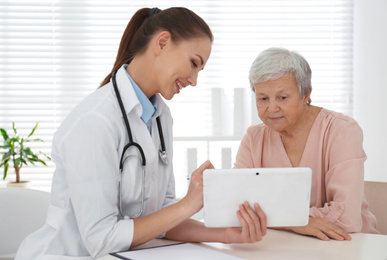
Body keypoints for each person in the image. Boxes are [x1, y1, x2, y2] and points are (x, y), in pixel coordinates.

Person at [15, 7, 267, 260]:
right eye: (193, 64)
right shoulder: (95, 121)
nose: (194, 80)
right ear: (162, 42)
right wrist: (189, 203)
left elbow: (163, 217)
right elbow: (101, 241)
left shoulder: (160, 117)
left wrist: (226, 235)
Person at [234, 47, 379, 241]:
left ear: (306, 94)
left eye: (282, 97)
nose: (271, 108)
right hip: (282, 245)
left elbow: (347, 219)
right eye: (263, 98)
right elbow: (238, 207)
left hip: (349, 246)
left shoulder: (342, 130)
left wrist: (274, 217)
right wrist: (295, 222)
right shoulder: (253, 138)